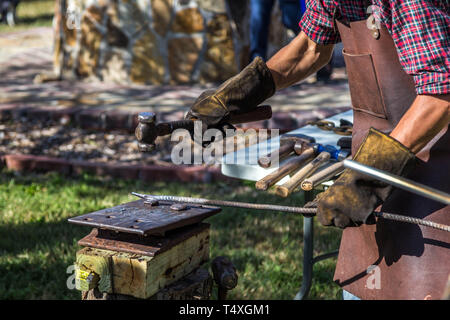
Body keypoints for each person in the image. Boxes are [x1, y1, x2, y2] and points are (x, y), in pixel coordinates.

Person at [186, 0, 449, 299]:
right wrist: (237, 94)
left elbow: (440, 95)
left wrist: (366, 179)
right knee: (365, 286)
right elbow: (310, 48)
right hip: (372, 160)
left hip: (435, 178)